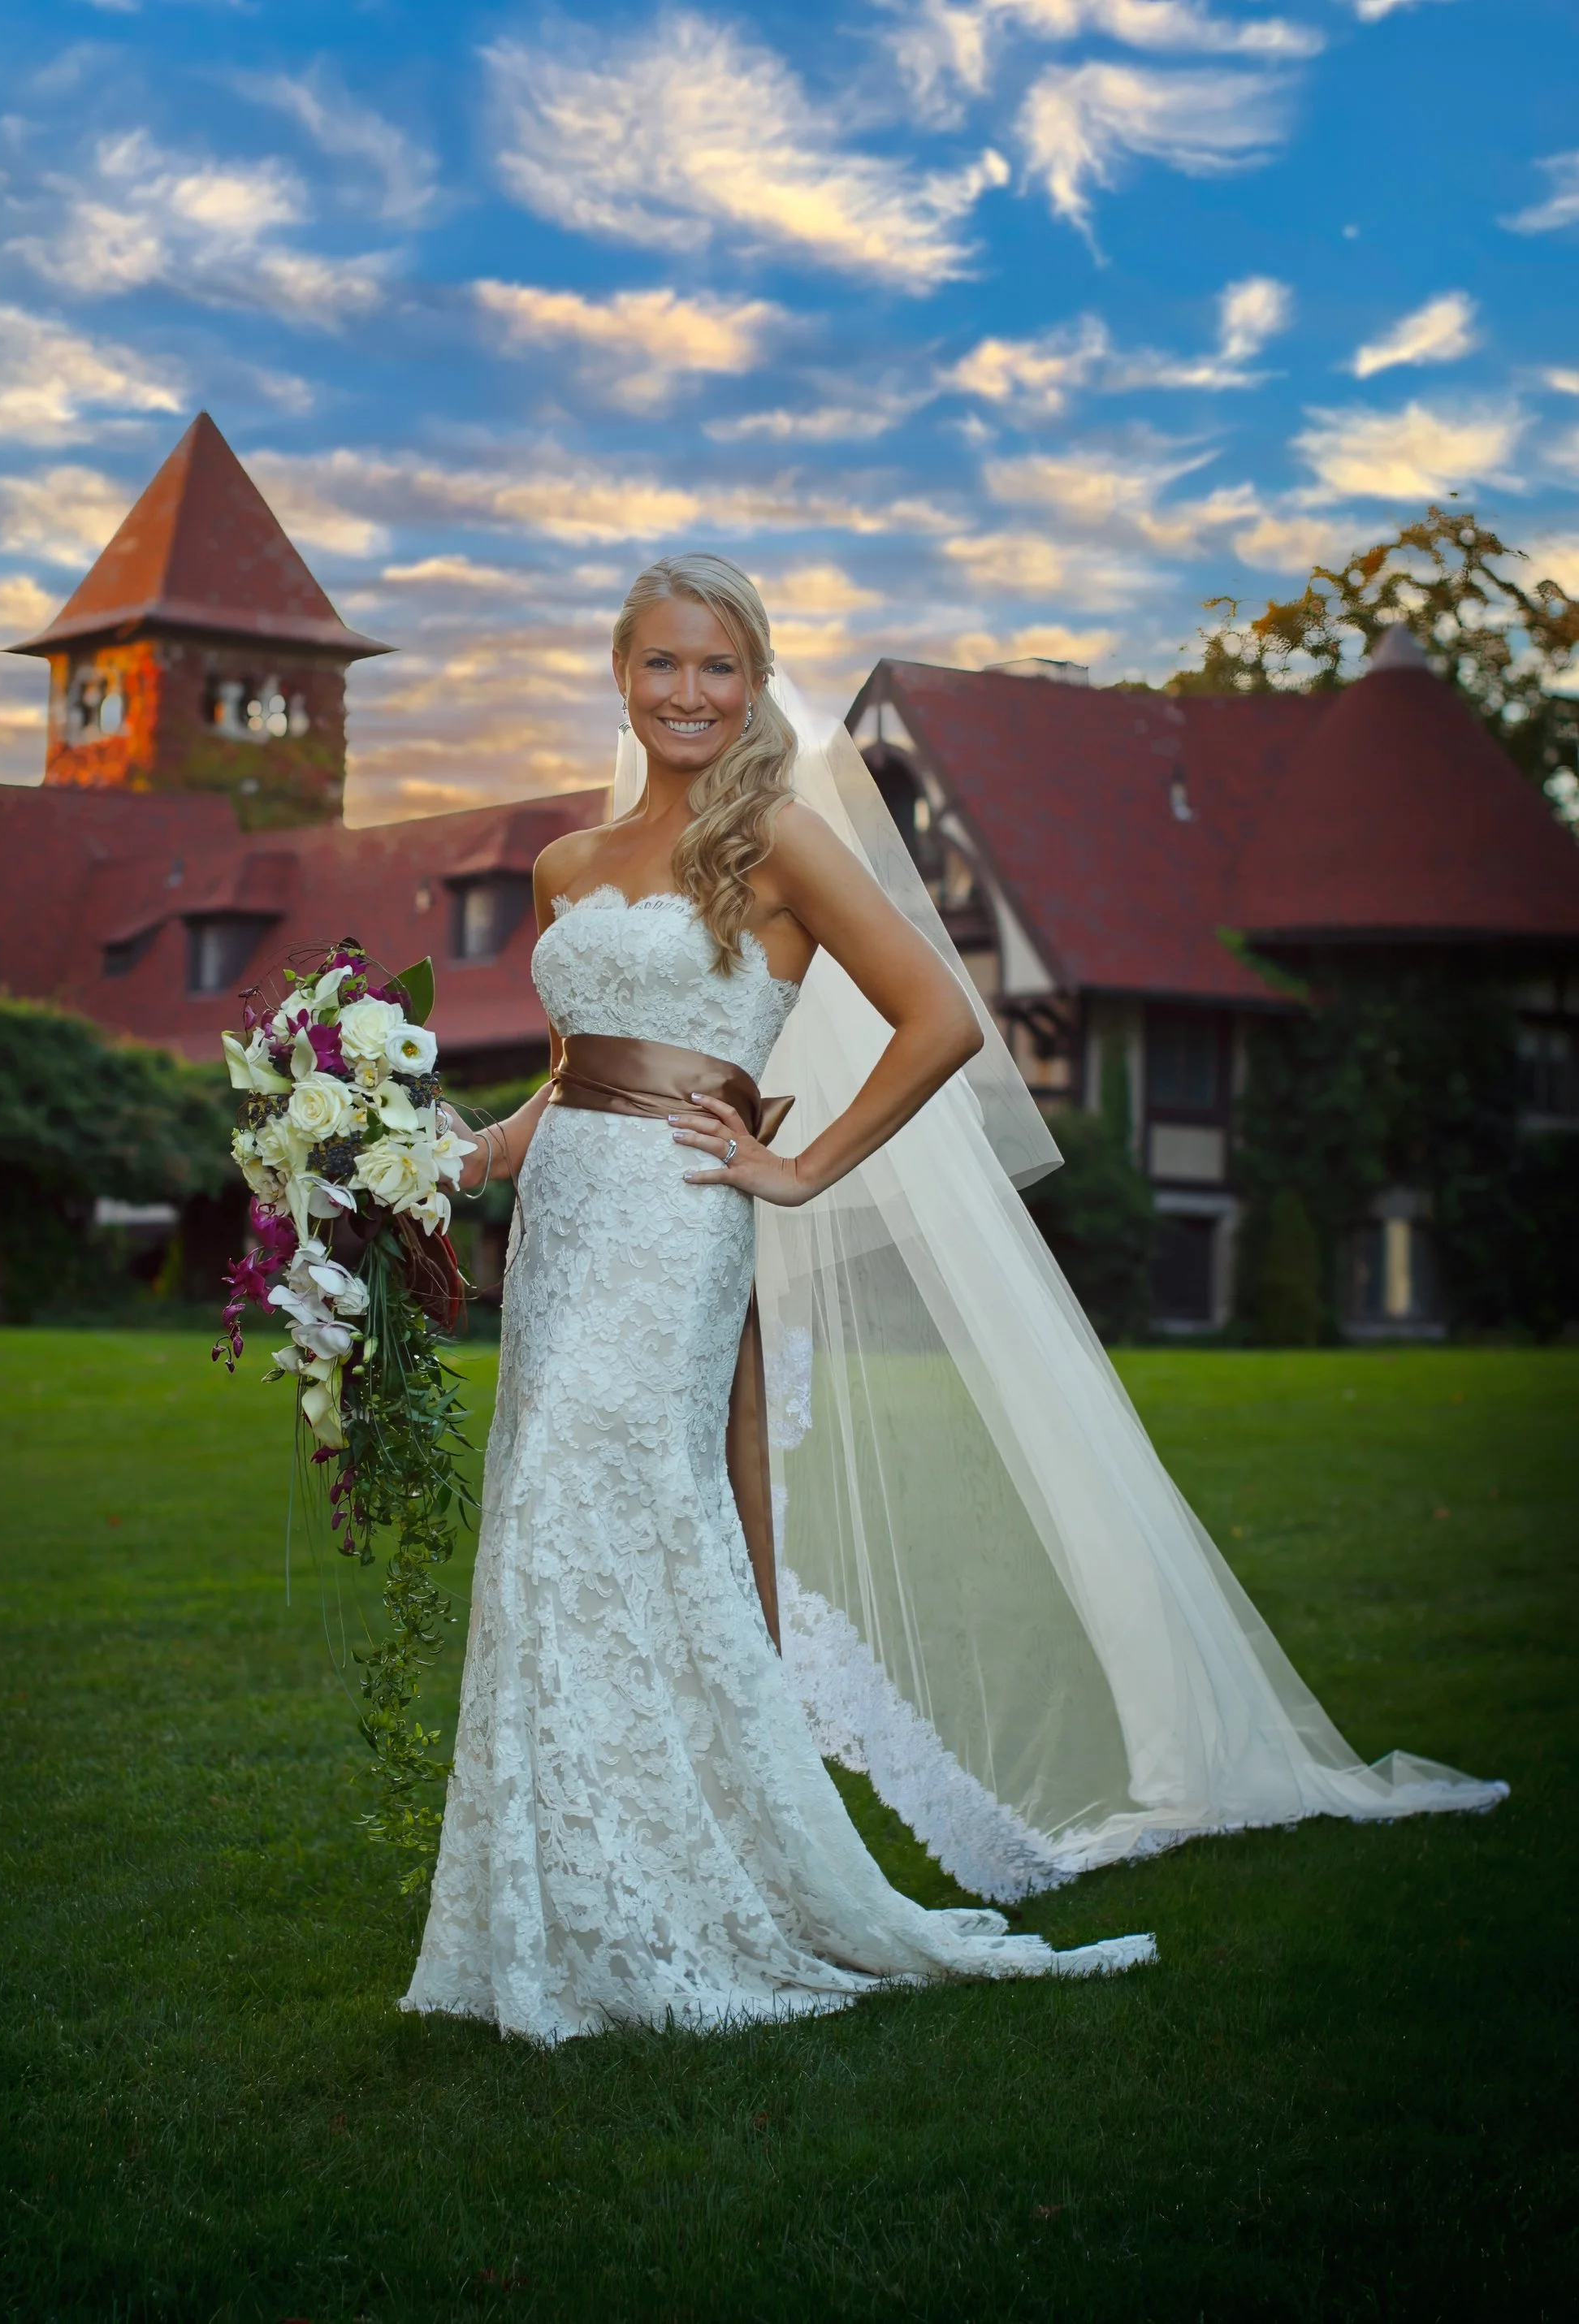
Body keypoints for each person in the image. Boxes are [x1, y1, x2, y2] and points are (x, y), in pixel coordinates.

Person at [400, 554, 1157, 2042]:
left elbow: (941, 1018)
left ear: (753, 685)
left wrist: (799, 1171)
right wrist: (468, 1154)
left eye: (719, 668)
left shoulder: (783, 840)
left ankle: (701, 1886)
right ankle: (572, 1895)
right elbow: (582, 1067)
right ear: (621, 678)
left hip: (683, 1224)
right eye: (661, 665)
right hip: (561, 1234)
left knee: (619, 1505)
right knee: (553, 1529)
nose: (688, 694)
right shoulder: (566, 866)